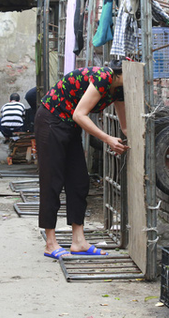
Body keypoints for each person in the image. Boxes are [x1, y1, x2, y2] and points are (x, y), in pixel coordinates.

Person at [36, 60, 129, 259]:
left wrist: (135, 141)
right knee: (52, 181)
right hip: (51, 119)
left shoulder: (120, 89)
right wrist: (107, 139)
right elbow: (80, 114)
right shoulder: (105, 77)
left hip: (70, 126)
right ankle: (50, 243)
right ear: (122, 74)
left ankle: (78, 241)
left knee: (79, 181)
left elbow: (125, 126)